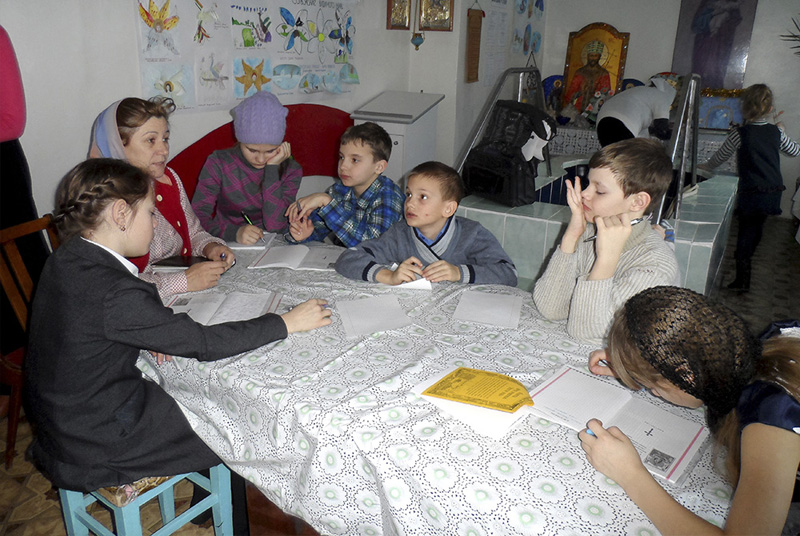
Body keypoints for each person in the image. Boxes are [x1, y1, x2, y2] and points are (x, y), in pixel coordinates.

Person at [24, 158, 332, 533]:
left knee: (198, 396)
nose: (156, 223)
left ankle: (209, 506)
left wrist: (148, 331)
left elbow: (95, 326)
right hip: (97, 441)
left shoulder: (67, 258)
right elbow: (203, 342)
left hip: (61, 422)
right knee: (237, 422)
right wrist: (286, 322)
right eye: (150, 213)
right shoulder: (116, 289)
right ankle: (243, 523)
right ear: (120, 214)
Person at [580, 285, 800, 535]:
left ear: (687, 377)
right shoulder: (743, 353)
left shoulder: (774, 419)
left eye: (654, 388)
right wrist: (634, 366)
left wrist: (630, 474)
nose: (653, 393)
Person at [533, 138, 679, 345]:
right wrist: (571, 236)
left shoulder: (655, 267)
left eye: (599, 191)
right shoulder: (590, 232)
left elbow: (587, 332)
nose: (584, 194)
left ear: (638, 202)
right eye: (587, 184)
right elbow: (551, 308)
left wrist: (606, 259)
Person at [89, 97, 236, 300]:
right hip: (139, 302)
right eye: (151, 140)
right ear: (118, 145)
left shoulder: (168, 179)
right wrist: (183, 281)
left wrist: (211, 247)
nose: (164, 150)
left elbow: (193, 232)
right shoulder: (106, 201)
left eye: (165, 139)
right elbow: (111, 285)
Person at [335, 161, 517, 286]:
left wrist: (458, 273)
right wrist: (388, 276)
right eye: (409, 194)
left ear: (448, 209)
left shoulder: (472, 234)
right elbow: (349, 258)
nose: (410, 203)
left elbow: (508, 273)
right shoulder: (399, 234)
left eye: (422, 197)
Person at [699, 84, 800, 291]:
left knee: (745, 231)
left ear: (744, 109)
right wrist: (781, 130)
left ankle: (742, 279)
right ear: (770, 109)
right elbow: (795, 151)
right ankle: (744, 270)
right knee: (756, 229)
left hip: (752, 191)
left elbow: (720, 156)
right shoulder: (776, 132)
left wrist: (706, 166)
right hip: (772, 190)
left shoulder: (740, 134)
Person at [192, 91, 302, 244]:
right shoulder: (219, 163)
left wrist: (272, 170)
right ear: (240, 141)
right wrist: (233, 233)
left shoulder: (291, 170)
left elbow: (275, 226)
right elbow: (196, 218)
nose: (261, 159)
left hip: (275, 245)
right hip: (227, 242)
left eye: (270, 151)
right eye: (252, 150)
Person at [284, 122, 404, 247]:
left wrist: (327, 203)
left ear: (379, 167)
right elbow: (319, 228)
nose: (343, 166)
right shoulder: (339, 190)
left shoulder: (389, 197)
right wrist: (304, 233)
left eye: (355, 160)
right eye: (341, 157)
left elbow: (373, 246)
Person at [595, 77, 677, 147]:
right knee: (625, 157)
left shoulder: (640, 93)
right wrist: (673, 134)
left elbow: (643, 139)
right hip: (623, 121)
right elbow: (661, 129)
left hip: (603, 120)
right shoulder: (661, 96)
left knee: (614, 156)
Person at [563, 40, 612, 115]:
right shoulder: (580, 72)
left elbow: (605, 93)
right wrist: (580, 92)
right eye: (591, 56)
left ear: (600, 57)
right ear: (587, 56)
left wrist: (596, 93)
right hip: (577, 109)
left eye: (595, 56)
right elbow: (571, 92)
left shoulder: (603, 74)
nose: (593, 58)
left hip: (594, 110)